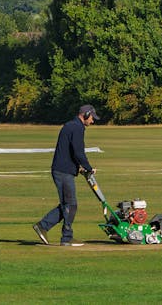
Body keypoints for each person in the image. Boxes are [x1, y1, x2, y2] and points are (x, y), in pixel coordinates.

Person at [33, 104, 102, 246]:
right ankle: (66, 237)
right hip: (63, 172)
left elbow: (69, 151)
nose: (93, 121)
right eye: (92, 118)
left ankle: (43, 226)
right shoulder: (76, 128)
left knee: (67, 204)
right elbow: (78, 152)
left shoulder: (71, 126)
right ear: (86, 115)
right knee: (71, 204)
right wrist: (88, 168)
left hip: (63, 169)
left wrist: (78, 168)